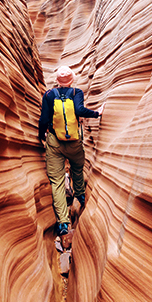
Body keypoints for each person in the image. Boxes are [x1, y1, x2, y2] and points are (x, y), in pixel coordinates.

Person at [38, 66, 101, 239]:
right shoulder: (76, 92)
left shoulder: (49, 95)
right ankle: (80, 196)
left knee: (57, 182)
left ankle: (64, 223)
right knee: (77, 169)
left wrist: (40, 135)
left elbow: (43, 119)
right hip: (74, 142)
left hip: (54, 142)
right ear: (72, 80)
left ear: (57, 81)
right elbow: (80, 111)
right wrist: (97, 113)